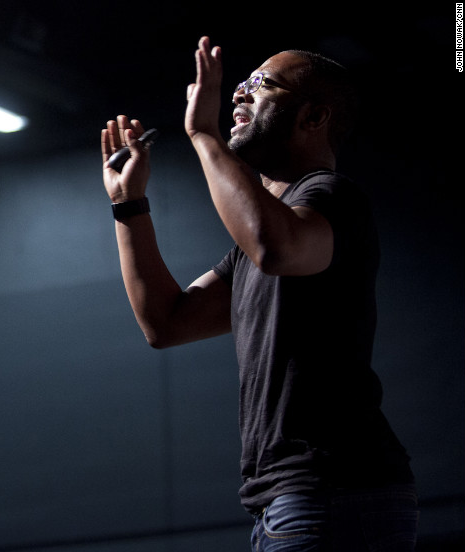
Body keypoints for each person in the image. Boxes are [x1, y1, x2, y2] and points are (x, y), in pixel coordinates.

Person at [101, 36, 417, 551]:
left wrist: (203, 134)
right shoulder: (254, 246)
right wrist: (129, 204)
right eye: (240, 85)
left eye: (260, 85)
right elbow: (166, 323)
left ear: (314, 117)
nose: (237, 96)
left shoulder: (329, 197)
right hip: (295, 499)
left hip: (334, 490)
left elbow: (276, 247)